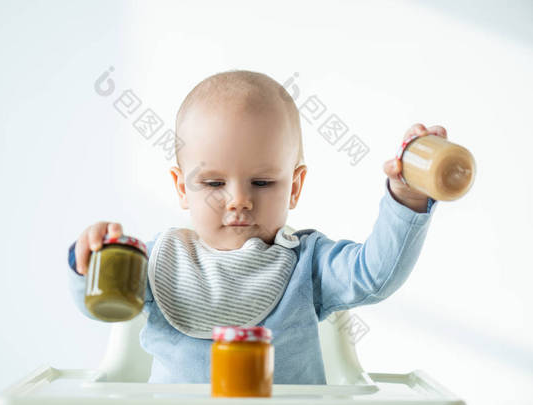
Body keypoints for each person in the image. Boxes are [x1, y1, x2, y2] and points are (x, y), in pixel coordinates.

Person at [67, 70, 443, 384]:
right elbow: (101, 300)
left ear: (294, 187)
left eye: (262, 183)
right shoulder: (158, 262)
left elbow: (374, 275)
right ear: (182, 188)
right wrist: (90, 261)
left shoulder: (307, 265)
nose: (238, 200)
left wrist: (406, 199)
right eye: (214, 184)